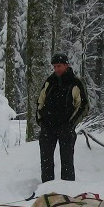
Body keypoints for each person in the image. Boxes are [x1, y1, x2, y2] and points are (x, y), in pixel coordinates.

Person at [35, 52, 88, 183]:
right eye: (54, 66)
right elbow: (40, 101)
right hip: (48, 127)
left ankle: (67, 192)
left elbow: (83, 106)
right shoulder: (49, 81)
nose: (57, 69)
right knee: (46, 162)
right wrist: (41, 120)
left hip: (66, 128)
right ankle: (47, 191)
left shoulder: (75, 83)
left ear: (66, 65)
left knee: (67, 162)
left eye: (59, 66)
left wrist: (71, 124)